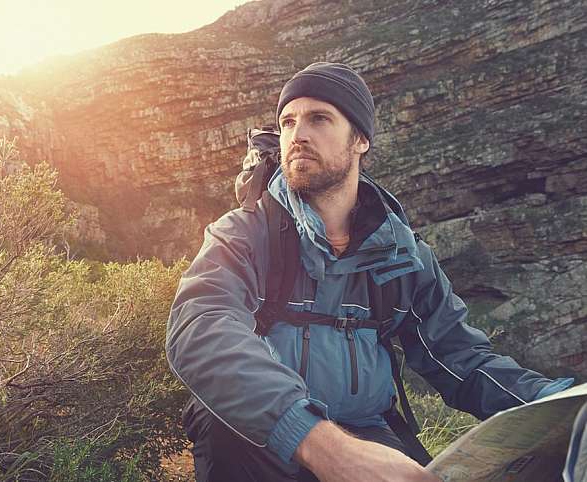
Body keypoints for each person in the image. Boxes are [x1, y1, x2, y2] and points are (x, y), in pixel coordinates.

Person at [165, 62, 573, 482]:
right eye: (288, 122)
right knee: (220, 422)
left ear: (360, 139)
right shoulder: (245, 232)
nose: (298, 134)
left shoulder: (401, 254)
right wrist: (321, 445)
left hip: (368, 431)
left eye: (319, 118)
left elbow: (460, 359)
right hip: (266, 437)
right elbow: (201, 324)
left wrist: (556, 403)